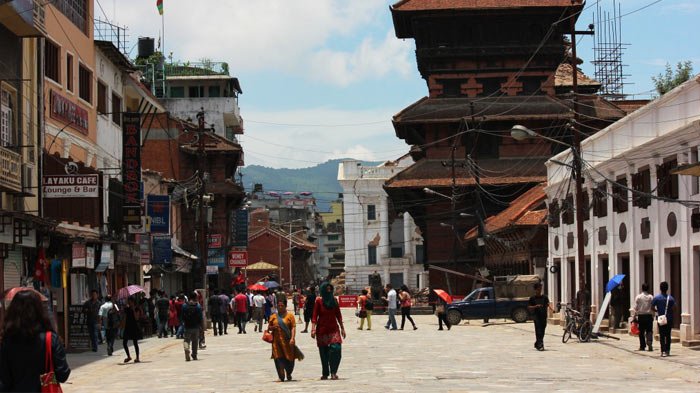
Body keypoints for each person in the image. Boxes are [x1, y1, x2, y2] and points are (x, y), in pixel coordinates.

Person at [0, 289, 71, 391]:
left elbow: (4, 380)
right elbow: (63, 375)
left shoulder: (6, 340)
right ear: (39, 310)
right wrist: (46, 377)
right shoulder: (50, 339)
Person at [311, 282, 346, 380]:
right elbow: (314, 316)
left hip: (334, 329)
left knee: (336, 349)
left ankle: (334, 371)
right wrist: (313, 329)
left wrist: (342, 328)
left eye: (330, 289)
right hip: (322, 329)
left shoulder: (334, 300)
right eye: (327, 289)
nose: (329, 291)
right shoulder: (319, 301)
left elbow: (338, 315)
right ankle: (325, 373)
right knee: (324, 353)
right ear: (323, 290)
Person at [267, 300, 302, 382]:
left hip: (288, 341)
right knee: (278, 358)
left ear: (285, 306)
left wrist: (292, 338)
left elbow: (293, 327)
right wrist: (272, 328)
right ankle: (281, 376)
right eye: (278, 305)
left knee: (290, 359)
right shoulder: (273, 316)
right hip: (276, 342)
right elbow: (268, 328)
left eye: (282, 305)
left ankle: (289, 372)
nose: (280, 307)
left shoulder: (290, 316)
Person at [652, 281, 676, 357]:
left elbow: (652, 307)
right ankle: (668, 350)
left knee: (662, 335)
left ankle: (663, 351)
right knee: (668, 335)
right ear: (667, 289)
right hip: (669, 319)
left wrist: (657, 311)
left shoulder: (657, 298)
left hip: (661, 318)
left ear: (660, 288)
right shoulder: (671, 298)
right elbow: (675, 308)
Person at [528, 282, 554, 351]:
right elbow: (529, 307)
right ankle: (540, 345)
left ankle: (537, 343)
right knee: (538, 330)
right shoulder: (532, 298)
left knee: (542, 330)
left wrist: (552, 309)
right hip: (536, 316)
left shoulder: (544, 297)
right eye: (538, 289)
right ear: (535, 290)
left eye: (540, 289)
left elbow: (548, 304)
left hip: (543, 316)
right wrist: (535, 306)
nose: (540, 290)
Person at [181, 293, 203, 361]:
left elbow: (182, 316)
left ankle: (186, 349)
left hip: (187, 326)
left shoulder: (184, 305)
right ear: (195, 297)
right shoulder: (198, 306)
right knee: (195, 341)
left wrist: (183, 323)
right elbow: (200, 317)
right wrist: (201, 326)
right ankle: (194, 355)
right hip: (196, 326)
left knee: (186, 340)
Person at [633, 283, 654, 352]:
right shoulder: (651, 297)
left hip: (641, 316)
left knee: (641, 332)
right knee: (649, 330)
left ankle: (642, 346)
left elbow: (635, 308)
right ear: (648, 289)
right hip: (649, 316)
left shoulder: (638, 297)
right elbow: (653, 307)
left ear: (642, 288)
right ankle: (649, 342)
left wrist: (634, 316)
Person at [122, 296, 143, 363]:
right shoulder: (127, 309)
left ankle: (137, 357)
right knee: (124, 342)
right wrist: (122, 325)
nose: (129, 303)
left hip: (134, 327)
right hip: (127, 327)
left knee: (135, 343)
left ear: (133, 302)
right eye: (128, 301)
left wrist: (134, 310)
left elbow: (136, 318)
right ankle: (128, 356)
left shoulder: (136, 308)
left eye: (130, 302)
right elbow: (124, 317)